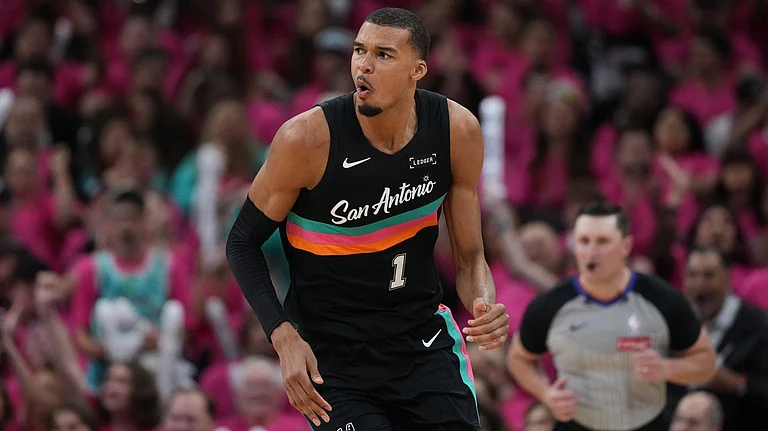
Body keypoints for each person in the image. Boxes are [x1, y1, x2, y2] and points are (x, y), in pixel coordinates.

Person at [226, 7, 508, 431]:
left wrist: (483, 303)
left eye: (383, 54)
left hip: (421, 343)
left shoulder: (456, 131)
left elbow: (469, 259)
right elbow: (242, 240)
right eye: (359, 51)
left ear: (418, 70)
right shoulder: (307, 139)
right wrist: (282, 335)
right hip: (333, 356)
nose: (364, 65)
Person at [506, 202, 717, 431]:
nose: (591, 251)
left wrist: (666, 368)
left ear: (626, 246)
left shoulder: (662, 299)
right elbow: (518, 359)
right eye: (584, 241)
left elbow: (706, 361)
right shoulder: (552, 304)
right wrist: (546, 393)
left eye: (602, 241)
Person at [682, 247, 768, 431]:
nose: (700, 284)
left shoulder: (759, 328)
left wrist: (737, 384)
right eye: (693, 275)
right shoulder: (676, 324)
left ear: (728, 278)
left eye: (709, 275)